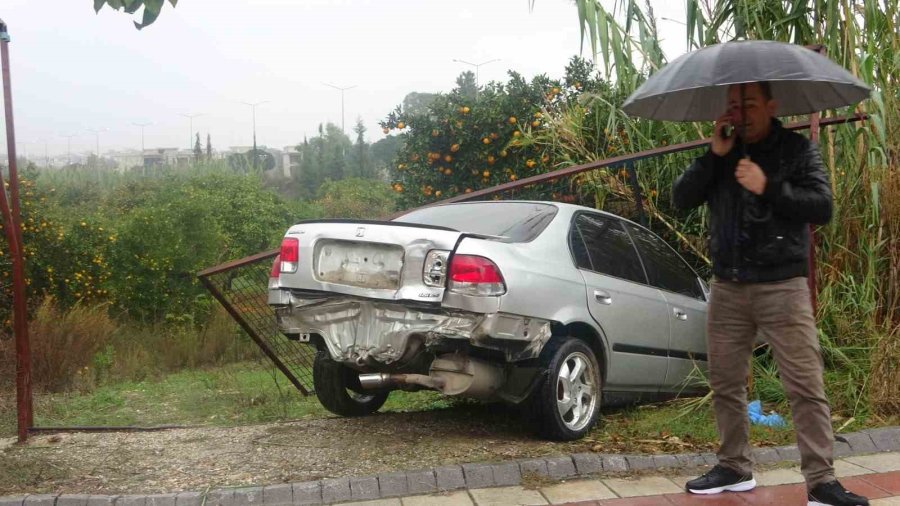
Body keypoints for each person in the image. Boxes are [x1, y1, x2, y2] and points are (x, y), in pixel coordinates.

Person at [672, 82, 869, 506]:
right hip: (728, 285)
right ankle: (733, 467)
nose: (741, 113)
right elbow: (680, 198)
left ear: (770, 106)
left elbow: (822, 206)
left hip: (782, 284)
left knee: (805, 385)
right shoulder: (721, 154)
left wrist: (768, 186)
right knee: (725, 383)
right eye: (734, 106)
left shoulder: (796, 150)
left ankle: (821, 482)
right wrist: (713, 157)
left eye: (749, 105)